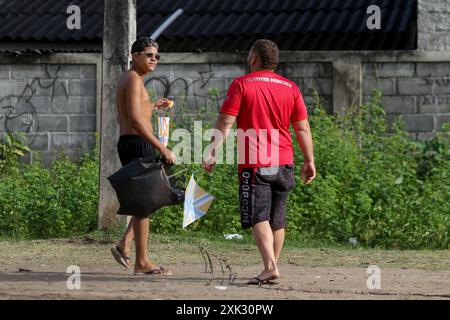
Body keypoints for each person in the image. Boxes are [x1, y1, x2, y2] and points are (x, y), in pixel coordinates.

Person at [202, 39, 316, 284]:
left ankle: (270, 267)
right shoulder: (291, 87)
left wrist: (212, 151)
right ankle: (271, 266)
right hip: (285, 161)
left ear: (254, 58)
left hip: (256, 163)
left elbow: (225, 123)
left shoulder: (241, 84)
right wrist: (309, 160)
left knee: (258, 216)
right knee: (278, 218)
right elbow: (303, 128)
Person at [110, 37, 176, 275]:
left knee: (146, 201)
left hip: (131, 143)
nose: (154, 60)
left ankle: (125, 244)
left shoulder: (132, 80)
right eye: (149, 54)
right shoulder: (133, 80)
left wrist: (153, 106)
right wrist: (162, 147)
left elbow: (132, 114)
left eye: (157, 56)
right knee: (146, 202)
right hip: (137, 144)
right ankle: (142, 262)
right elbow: (136, 122)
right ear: (134, 55)